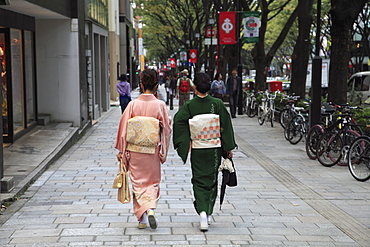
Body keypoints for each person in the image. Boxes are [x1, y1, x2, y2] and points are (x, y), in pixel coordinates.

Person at [172, 73, 236, 232]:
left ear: (194, 88)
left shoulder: (189, 106)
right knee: (212, 179)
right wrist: (227, 148)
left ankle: (201, 211)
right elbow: (226, 125)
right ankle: (207, 212)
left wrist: (186, 141)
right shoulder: (217, 104)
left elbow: (179, 121)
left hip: (198, 148)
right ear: (209, 87)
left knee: (199, 179)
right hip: (213, 148)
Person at [115, 69, 172, 230]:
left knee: (138, 183)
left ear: (140, 84)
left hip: (135, 151)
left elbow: (123, 130)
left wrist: (122, 151)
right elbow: (166, 129)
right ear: (156, 86)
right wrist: (163, 149)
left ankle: (142, 219)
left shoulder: (133, 105)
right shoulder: (160, 105)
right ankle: (151, 208)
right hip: (152, 150)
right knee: (152, 182)